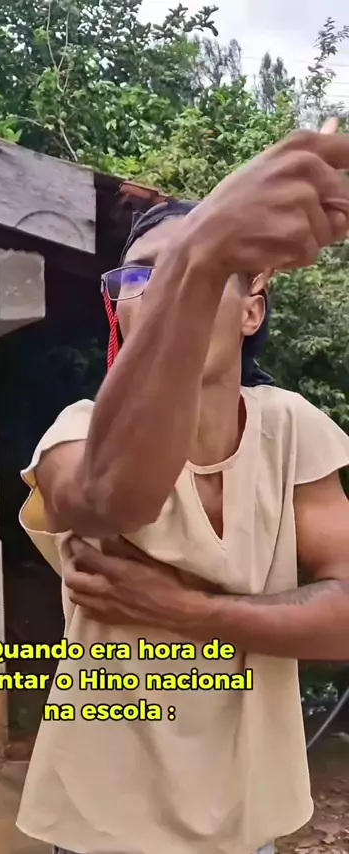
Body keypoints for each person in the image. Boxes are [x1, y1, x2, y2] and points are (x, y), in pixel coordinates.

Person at [17, 127, 349, 854]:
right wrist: (204, 254)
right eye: (141, 276)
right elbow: (113, 497)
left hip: (244, 819)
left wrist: (188, 611)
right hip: (101, 821)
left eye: (192, 270)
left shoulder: (293, 428)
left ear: (252, 310)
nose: (162, 291)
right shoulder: (76, 432)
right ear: (119, 310)